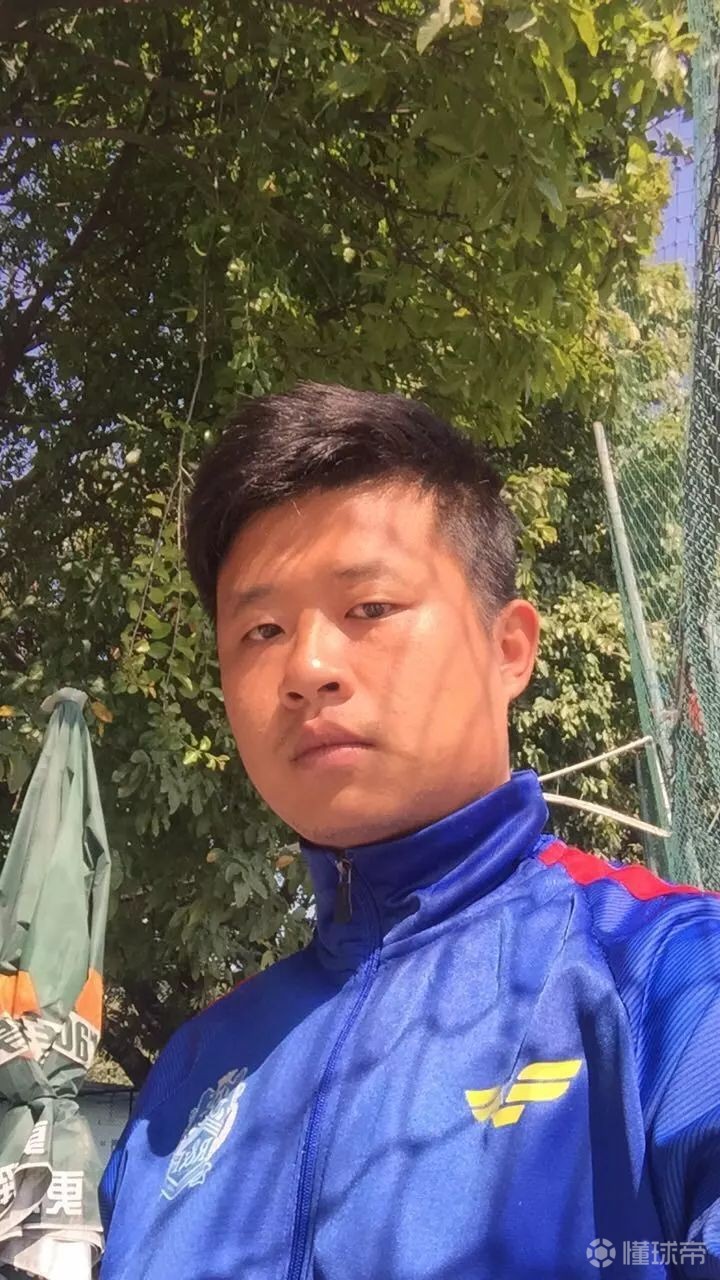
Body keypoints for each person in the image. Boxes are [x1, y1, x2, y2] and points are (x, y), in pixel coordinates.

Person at [99, 383, 720, 1280]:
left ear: (508, 649)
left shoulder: (669, 979)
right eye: (263, 629)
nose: (309, 667)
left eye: (371, 608)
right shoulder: (186, 1079)